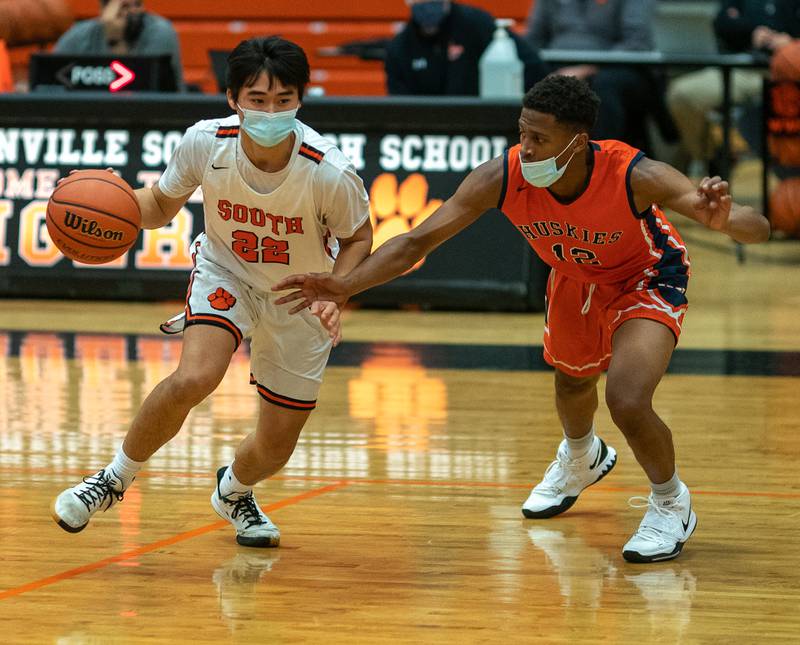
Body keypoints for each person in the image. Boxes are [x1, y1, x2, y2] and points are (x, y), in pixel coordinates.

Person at [272, 75, 770, 563]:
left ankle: (670, 502)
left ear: (578, 142)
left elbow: (758, 228)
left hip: (644, 278)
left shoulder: (633, 174)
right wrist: (344, 286)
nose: (525, 148)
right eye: (521, 133)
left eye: (539, 138)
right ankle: (581, 458)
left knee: (627, 399)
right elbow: (414, 242)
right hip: (574, 275)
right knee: (572, 383)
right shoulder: (502, 176)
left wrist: (724, 218)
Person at [51, 36, 373, 548]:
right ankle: (112, 480)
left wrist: (336, 293)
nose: (271, 111)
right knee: (195, 376)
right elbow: (159, 204)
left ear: (301, 99)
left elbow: (359, 238)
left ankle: (235, 491)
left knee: (274, 446)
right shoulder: (205, 142)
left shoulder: (328, 171)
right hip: (228, 272)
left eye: (283, 100)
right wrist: (106, 195)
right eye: (258, 99)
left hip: (300, 294)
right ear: (232, 98)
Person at [525, 0, 676, 154]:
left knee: (605, 85)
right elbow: (533, 40)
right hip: (557, 64)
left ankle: (600, 161)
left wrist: (586, 68)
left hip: (616, 68)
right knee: (524, 74)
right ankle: (528, 159)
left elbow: (636, 43)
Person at [667, 0, 800, 173]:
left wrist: (792, 43)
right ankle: (712, 157)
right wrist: (752, 32)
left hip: (790, 73)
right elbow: (723, 22)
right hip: (743, 69)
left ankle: (788, 174)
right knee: (682, 94)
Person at [385, 0, 548, 95]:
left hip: (480, 125)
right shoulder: (400, 48)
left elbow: (533, 68)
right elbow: (400, 108)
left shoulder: (477, 25)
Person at [54, 0, 185, 91]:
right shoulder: (78, 36)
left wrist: (116, 40)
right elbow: (51, 83)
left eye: (137, 4)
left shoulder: (160, 32)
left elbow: (136, 91)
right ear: (103, 11)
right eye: (124, 7)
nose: (133, 12)